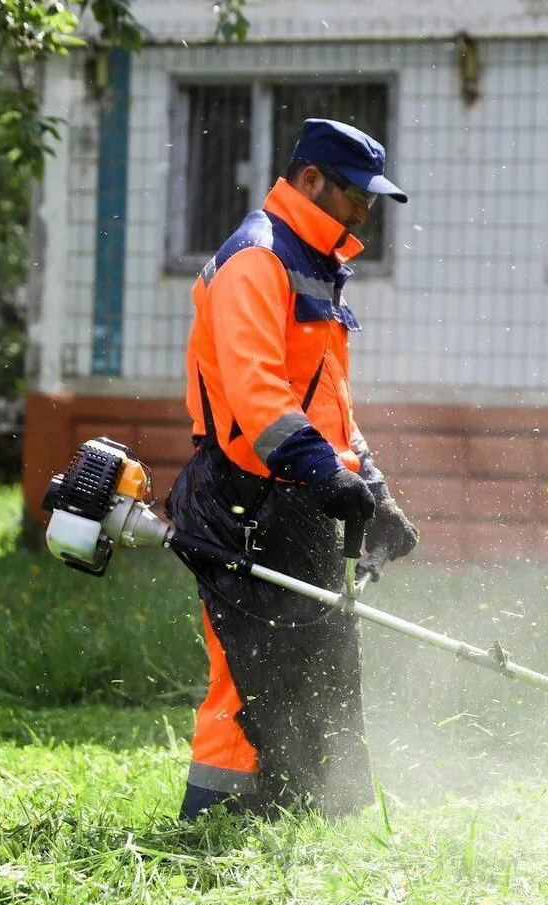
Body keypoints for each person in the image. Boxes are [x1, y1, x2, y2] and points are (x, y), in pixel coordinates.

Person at [167, 118, 420, 822]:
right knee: (248, 671)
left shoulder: (313, 266)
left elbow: (328, 404)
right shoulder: (257, 260)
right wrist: (321, 471)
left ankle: (315, 812)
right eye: (356, 196)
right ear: (311, 180)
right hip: (242, 498)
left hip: (295, 494)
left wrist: (372, 489)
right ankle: (213, 821)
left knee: (322, 662)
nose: (364, 213)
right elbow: (256, 391)